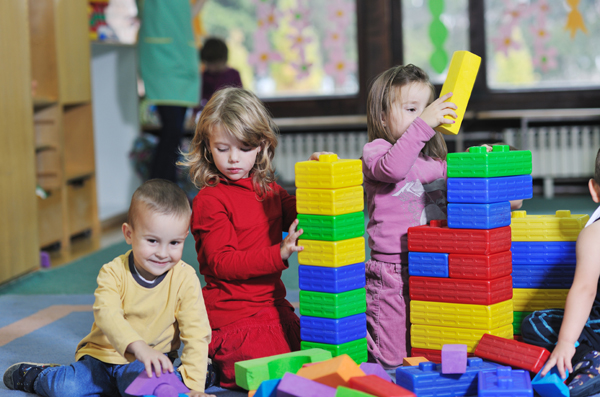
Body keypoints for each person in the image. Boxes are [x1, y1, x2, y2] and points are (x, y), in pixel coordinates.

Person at [3, 179, 215, 397]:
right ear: (129, 234)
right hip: (101, 358)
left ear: (184, 238)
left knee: (152, 390)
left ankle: (197, 374)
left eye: (174, 243)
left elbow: (196, 332)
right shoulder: (113, 272)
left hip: (147, 365)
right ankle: (38, 375)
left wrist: (195, 387)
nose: (163, 253)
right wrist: (138, 346)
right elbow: (108, 315)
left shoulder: (185, 278)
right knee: (65, 389)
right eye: (152, 241)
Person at [180, 87, 325, 388]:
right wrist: (278, 253)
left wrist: (317, 181)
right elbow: (222, 262)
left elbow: (299, 214)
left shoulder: (268, 189)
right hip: (233, 313)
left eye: (244, 148)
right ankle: (205, 361)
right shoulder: (210, 200)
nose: (233, 159)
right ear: (207, 147)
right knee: (273, 374)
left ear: (261, 145)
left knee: (315, 356)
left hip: (272, 305)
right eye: (222, 148)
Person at [362, 64, 457, 369]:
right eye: (411, 109)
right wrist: (424, 124)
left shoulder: (434, 162)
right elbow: (394, 169)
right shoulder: (377, 152)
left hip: (430, 265)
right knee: (390, 356)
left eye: (425, 110)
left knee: (426, 344)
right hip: (391, 270)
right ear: (381, 117)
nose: (422, 117)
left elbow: (463, 185)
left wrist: (482, 162)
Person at [522, 147, 600, 397]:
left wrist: (566, 343)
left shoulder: (595, 234)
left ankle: (589, 360)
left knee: (535, 323)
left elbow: (585, 290)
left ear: (594, 190)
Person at [137, 0, 202, 183]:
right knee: (172, 129)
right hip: (160, 56)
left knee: (175, 132)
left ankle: (167, 192)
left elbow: (185, 15)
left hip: (184, 53)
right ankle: (157, 190)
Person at [198, 37, 243, 110]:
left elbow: (240, 97)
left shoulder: (234, 74)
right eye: (208, 64)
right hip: (210, 113)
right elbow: (199, 99)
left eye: (214, 63)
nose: (211, 68)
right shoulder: (204, 76)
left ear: (223, 59)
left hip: (230, 111)